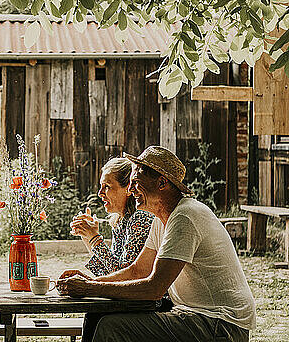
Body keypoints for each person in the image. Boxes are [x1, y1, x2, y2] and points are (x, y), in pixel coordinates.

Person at [57, 146, 256, 342]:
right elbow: (137, 270)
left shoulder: (185, 216)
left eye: (136, 182)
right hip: (196, 316)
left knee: (111, 327)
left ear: (162, 183)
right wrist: (92, 283)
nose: (132, 189)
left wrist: (90, 288)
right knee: (97, 315)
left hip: (220, 324)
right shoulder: (162, 219)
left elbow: (154, 289)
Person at [69, 157, 153, 277]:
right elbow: (107, 273)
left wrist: (94, 238)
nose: (100, 193)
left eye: (107, 186)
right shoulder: (120, 221)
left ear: (129, 188)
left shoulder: (140, 219)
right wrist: (87, 237)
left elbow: (123, 276)